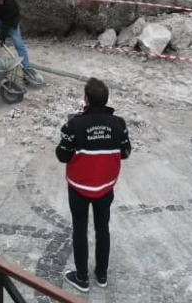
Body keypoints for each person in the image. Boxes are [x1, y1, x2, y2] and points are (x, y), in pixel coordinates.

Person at [55, 77, 131, 292]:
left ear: (86, 99)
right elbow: (125, 152)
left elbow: (63, 155)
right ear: (106, 100)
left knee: (79, 229)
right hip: (105, 187)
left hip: (79, 187)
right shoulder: (119, 124)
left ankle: (81, 278)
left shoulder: (73, 125)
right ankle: (102, 275)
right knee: (102, 227)